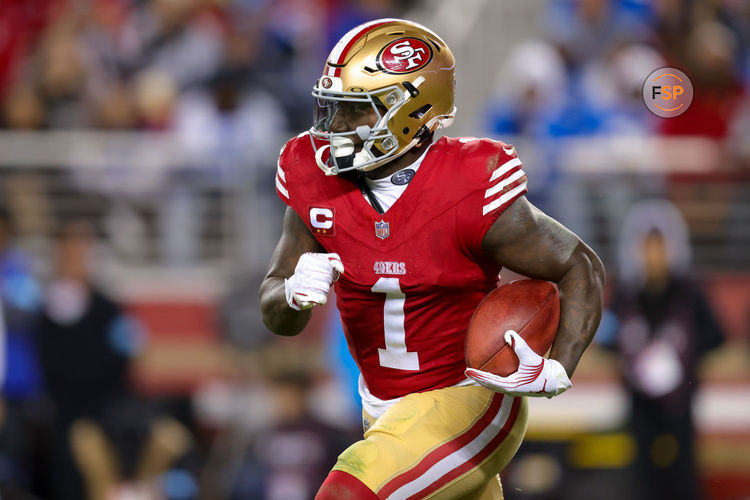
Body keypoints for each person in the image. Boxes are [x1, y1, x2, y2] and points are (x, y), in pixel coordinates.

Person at [259, 19, 605, 499]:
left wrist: (559, 366)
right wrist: (291, 293)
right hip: (382, 409)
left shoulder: (467, 183)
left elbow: (579, 265)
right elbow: (277, 312)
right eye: (334, 108)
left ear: (409, 113)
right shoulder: (312, 178)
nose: (334, 127)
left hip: (469, 396)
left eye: (355, 112)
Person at [602, 199, 724, 500]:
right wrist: (637, 355)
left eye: (659, 246)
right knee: (643, 477)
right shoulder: (626, 294)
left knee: (682, 475)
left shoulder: (690, 292)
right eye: (647, 247)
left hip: (681, 404)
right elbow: (606, 336)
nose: (654, 255)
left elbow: (716, 336)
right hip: (639, 403)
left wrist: (680, 354)